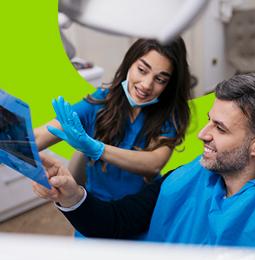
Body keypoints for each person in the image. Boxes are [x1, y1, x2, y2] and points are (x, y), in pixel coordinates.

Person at [33, 73, 255, 248]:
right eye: (209, 120)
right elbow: (118, 220)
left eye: (220, 128)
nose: (203, 134)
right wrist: (71, 194)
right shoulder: (187, 177)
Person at [35, 37, 191, 202]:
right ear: (129, 63)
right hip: (95, 210)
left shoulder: (169, 115)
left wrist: (98, 149)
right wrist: (9, 136)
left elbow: (154, 164)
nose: (146, 85)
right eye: (142, 70)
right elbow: (37, 137)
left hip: (141, 212)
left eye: (160, 79)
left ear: (169, 84)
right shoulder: (100, 101)